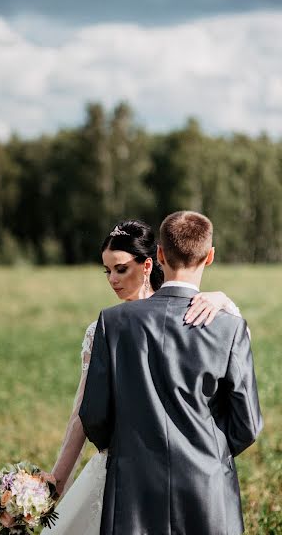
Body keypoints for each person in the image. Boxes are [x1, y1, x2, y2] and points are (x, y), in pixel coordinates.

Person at [36, 219, 245, 535]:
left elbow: (232, 365)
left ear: (148, 264)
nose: (112, 280)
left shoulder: (195, 314)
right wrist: (57, 481)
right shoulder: (103, 330)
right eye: (107, 271)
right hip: (123, 470)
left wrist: (223, 300)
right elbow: (83, 413)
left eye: (120, 269)